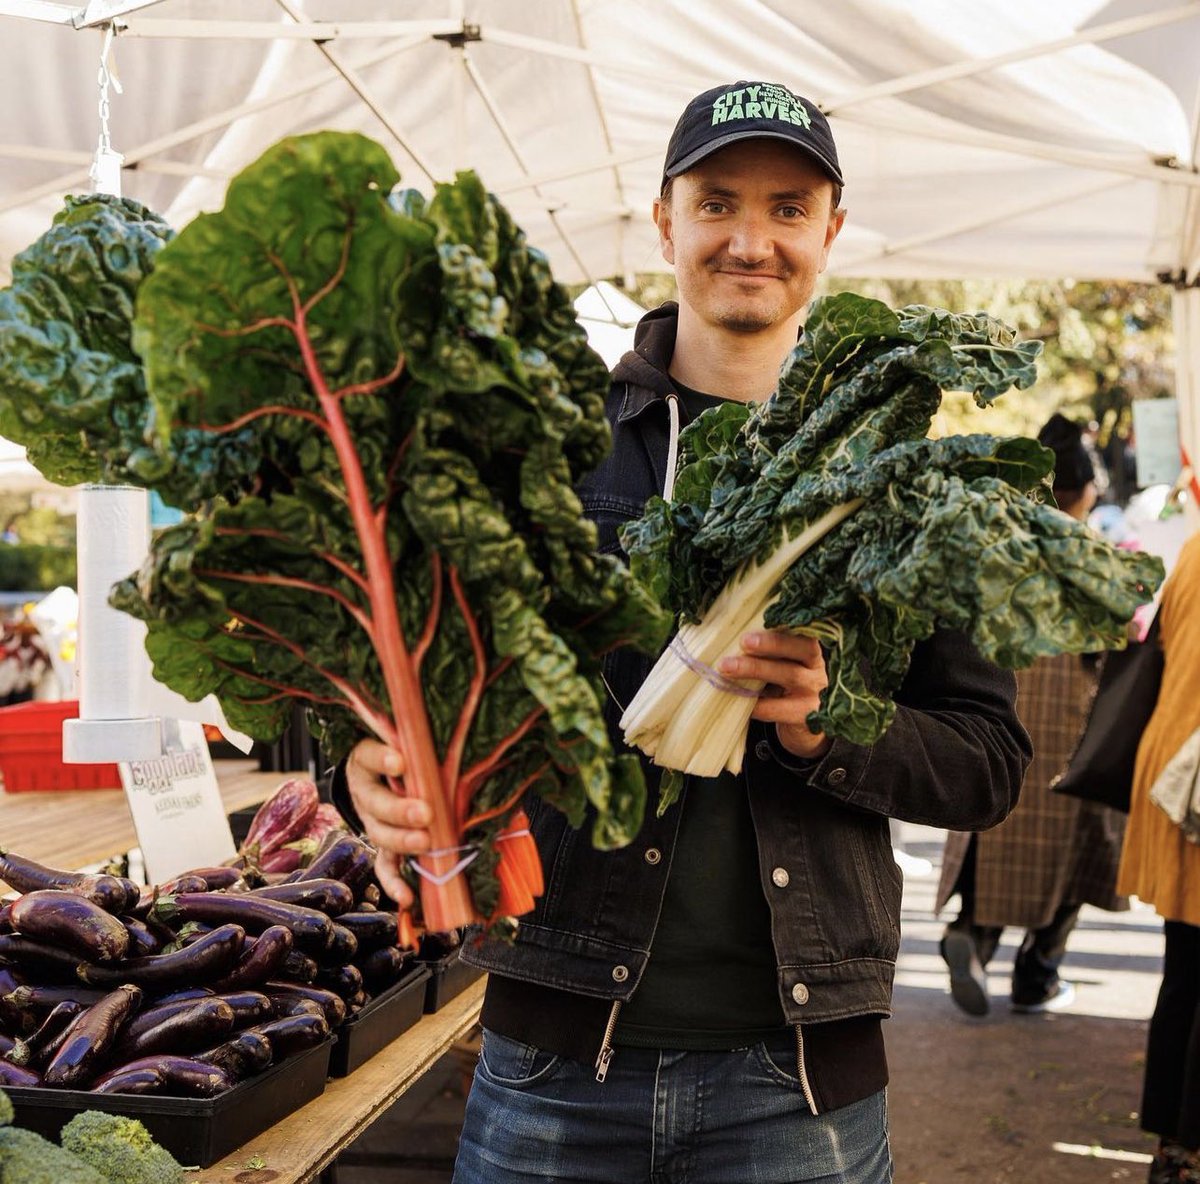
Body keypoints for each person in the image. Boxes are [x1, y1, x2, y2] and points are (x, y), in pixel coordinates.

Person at [339, 80, 1032, 1183]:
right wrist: (365, 769)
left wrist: (831, 725)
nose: (750, 239)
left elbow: (989, 762)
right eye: (717, 202)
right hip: (550, 1058)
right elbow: (429, 674)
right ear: (664, 219)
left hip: (798, 1080)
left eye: (788, 209)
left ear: (831, 232)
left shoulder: (901, 480)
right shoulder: (554, 449)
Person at [934, 413, 1130, 1017]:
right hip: (1068, 731)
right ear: (1083, 489)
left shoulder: (994, 548)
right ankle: (1038, 972)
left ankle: (974, 937)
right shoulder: (1090, 552)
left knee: (990, 842)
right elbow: (1115, 640)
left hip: (994, 715)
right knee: (1074, 851)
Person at [1116, 528, 1200, 1184]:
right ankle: (1189, 1148)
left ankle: (1171, 1146)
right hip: (1193, 777)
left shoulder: (1197, 545)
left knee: (1186, 965)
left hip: (1175, 764)